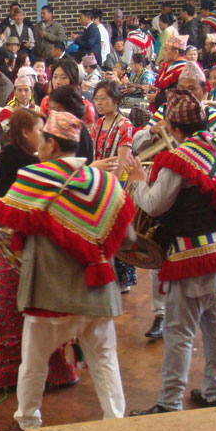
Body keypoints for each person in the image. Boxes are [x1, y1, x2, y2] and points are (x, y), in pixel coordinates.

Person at [0, 110, 136, 431]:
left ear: (53, 145)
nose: (39, 144)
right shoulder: (106, 184)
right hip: (97, 295)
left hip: (48, 297)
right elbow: (127, 238)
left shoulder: (36, 179)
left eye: (44, 138)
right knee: (104, 361)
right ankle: (117, 423)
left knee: (33, 364)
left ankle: (28, 422)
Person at [127, 89, 216, 416]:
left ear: (176, 129)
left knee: (179, 334)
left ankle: (169, 402)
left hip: (192, 260)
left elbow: (153, 205)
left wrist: (138, 179)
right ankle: (212, 391)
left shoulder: (180, 159)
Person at [0, 108, 79, 392]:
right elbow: (6, 211)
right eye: (39, 130)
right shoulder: (27, 165)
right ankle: (48, 376)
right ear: (25, 132)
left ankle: (15, 378)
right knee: (33, 315)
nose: (43, 138)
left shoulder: (22, 161)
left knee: (13, 315)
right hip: (12, 243)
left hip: (8, 240)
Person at [91, 81, 137, 292]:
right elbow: (94, 153)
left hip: (116, 183)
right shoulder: (98, 124)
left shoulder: (124, 125)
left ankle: (124, 280)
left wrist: (114, 186)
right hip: (100, 179)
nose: (99, 103)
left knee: (117, 230)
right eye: (97, 98)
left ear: (115, 100)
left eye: (104, 98)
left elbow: (122, 160)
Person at [150, 34, 189, 110]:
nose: (162, 53)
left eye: (165, 49)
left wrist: (157, 98)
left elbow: (178, 97)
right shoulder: (169, 67)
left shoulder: (183, 71)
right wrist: (157, 90)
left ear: (175, 53)